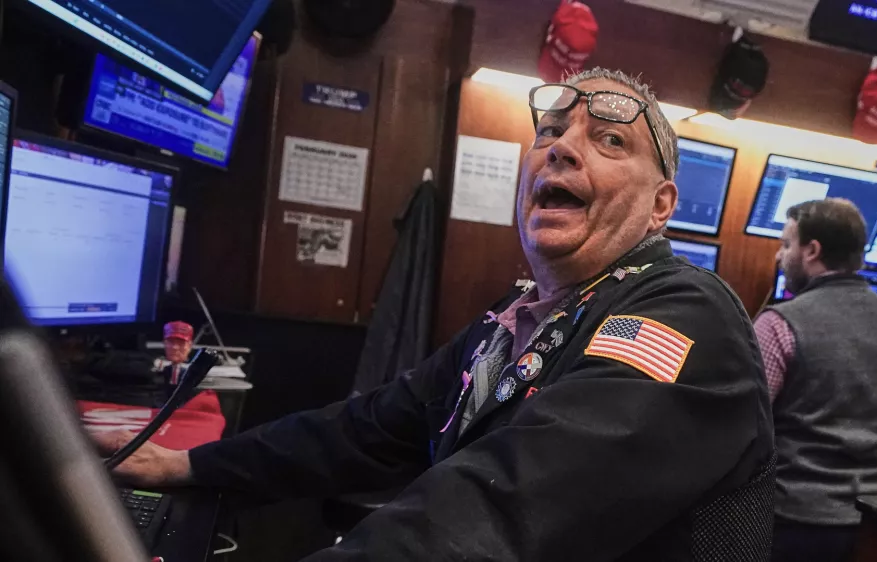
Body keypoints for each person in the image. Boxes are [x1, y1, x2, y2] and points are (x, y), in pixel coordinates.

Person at [94, 69, 775, 561]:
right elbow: (366, 428)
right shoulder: (517, 321)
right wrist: (190, 466)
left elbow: (506, 504)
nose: (561, 147)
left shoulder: (683, 318)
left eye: (610, 142)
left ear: (661, 206)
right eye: (550, 131)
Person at [755, 199, 877, 562]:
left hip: (790, 520)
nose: (779, 257)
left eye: (787, 245)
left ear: (812, 251)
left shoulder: (778, 324)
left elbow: (747, 424)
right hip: (874, 521)